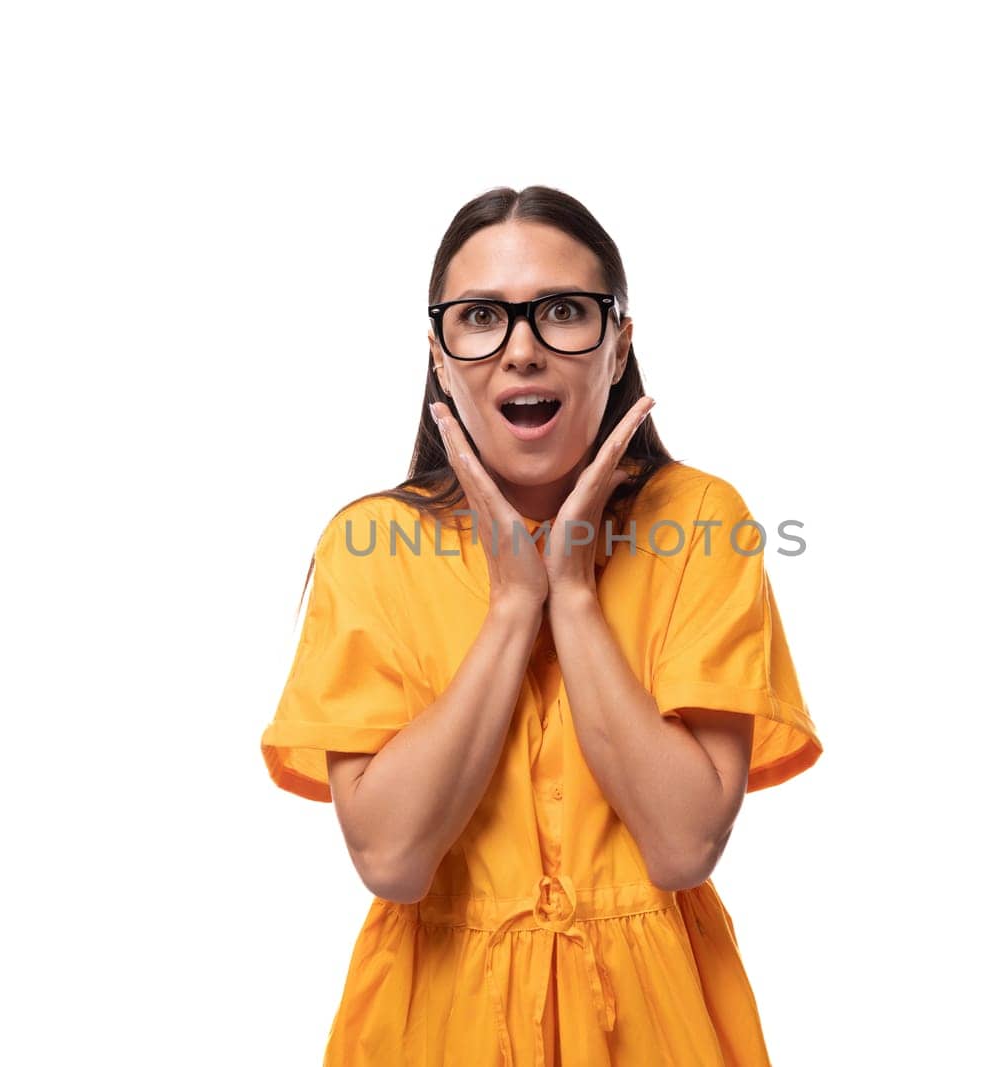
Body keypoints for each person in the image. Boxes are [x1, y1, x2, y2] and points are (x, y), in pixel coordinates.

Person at [260, 185, 822, 1066]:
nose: (522, 351)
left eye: (563, 312)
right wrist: (515, 605)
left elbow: (682, 845)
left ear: (619, 341)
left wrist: (574, 592)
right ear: (441, 355)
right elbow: (394, 861)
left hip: (657, 1021)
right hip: (432, 1022)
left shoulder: (705, 521)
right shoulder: (369, 545)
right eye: (481, 317)